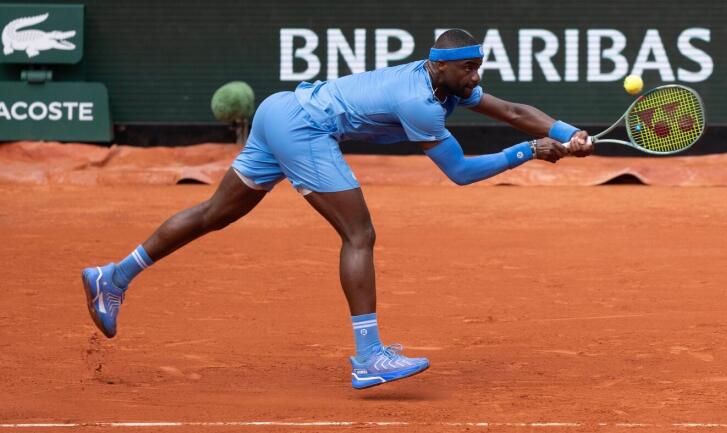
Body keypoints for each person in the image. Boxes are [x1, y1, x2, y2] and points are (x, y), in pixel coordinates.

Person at [81, 29, 594, 390]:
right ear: (439, 65)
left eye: (477, 67)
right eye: (468, 68)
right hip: (304, 129)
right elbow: (458, 171)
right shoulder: (419, 100)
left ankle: (114, 276)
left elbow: (512, 111)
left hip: (279, 110)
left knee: (216, 212)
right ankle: (369, 356)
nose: (475, 76)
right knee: (359, 235)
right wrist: (529, 152)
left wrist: (569, 133)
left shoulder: (446, 83)